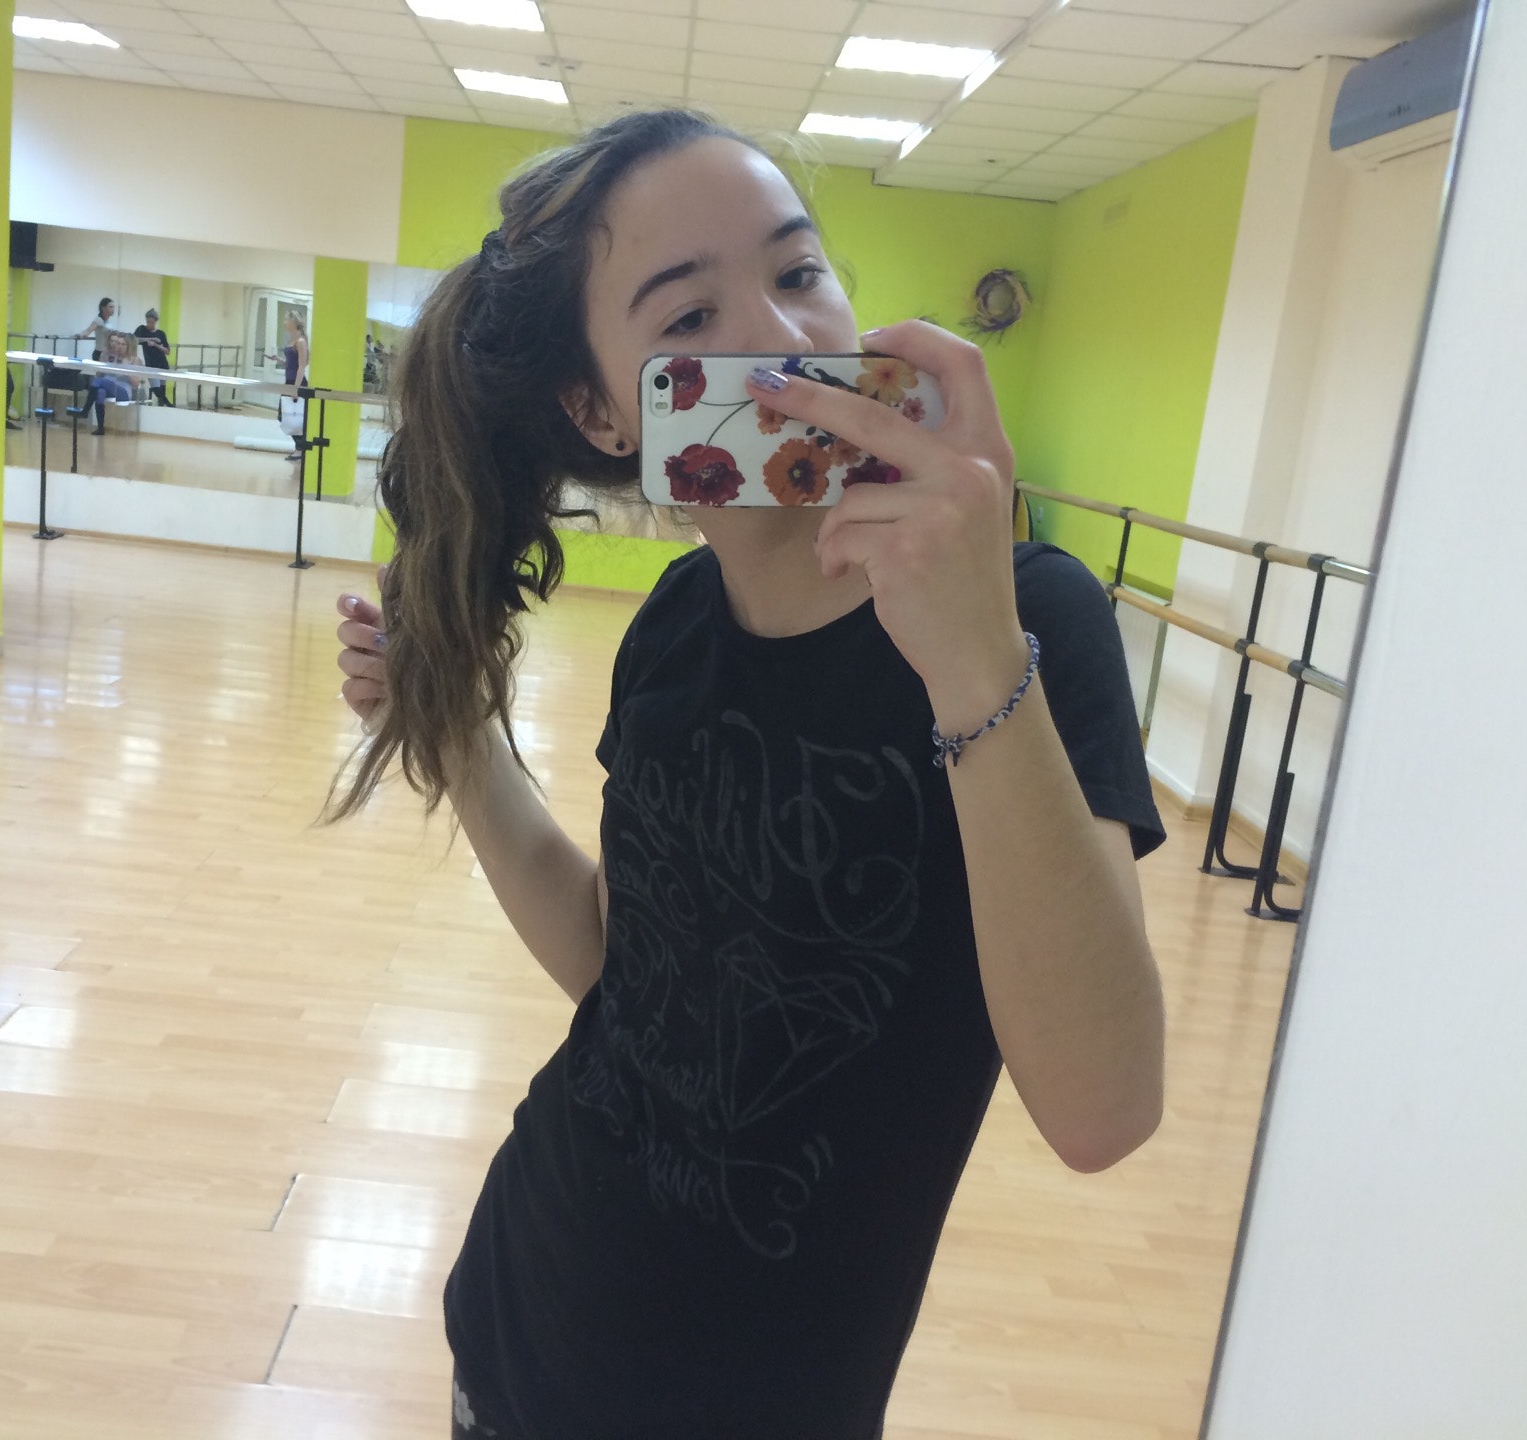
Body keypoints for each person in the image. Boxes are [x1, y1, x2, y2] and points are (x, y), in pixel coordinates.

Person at [327, 109, 1168, 1440]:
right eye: (690, 314)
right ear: (601, 411)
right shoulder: (672, 627)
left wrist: (968, 652)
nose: (779, 337)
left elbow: (1102, 1110)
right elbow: (623, 968)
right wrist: (458, 735)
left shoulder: (1032, 620)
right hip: (519, 1319)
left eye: (797, 270)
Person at [84, 332, 133, 435]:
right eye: (117, 343)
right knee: (100, 392)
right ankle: (100, 428)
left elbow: (136, 383)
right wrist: (103, 361)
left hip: (123, 390)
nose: (118, 346)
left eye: (122, 344)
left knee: (98, 381)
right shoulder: (111, 356)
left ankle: (85, 410)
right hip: (108, 386)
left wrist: (125, 369)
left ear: (128, 346)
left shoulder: (133, 360)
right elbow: (100, 374)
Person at [277, 310, 310, 458]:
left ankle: (300, 448)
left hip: (297, 383)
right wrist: (279, 360)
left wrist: (296, 389)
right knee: (284, 416)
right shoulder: (291, 341)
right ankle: (300, 448)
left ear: (293, 322)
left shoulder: (301, 342)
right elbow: (292, 363)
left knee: (293, 417)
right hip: (289, 382)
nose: (284, 323)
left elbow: (301, 366)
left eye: (286, 320)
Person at [134, 307, 172, 406]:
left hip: (162, 364)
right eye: (148, 322)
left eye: (152, 322)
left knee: (162, 390)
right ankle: (169, 404)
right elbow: (134, 339)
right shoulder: (142, 329)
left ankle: (163, 407)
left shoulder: (161, 334)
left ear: (155, 322)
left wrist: (155, 344)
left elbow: (167, 351)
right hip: (151, 365)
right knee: (156, 389)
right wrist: (150, 339)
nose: (149, 324)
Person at [77, 296, 117, 361]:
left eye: (113, 307)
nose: (113, 309)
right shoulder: (98, 320)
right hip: (100, 353)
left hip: (108, 353)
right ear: (103, 308)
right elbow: (88, 330)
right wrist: (80, 335)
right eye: (110, 307)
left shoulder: (108, 323)